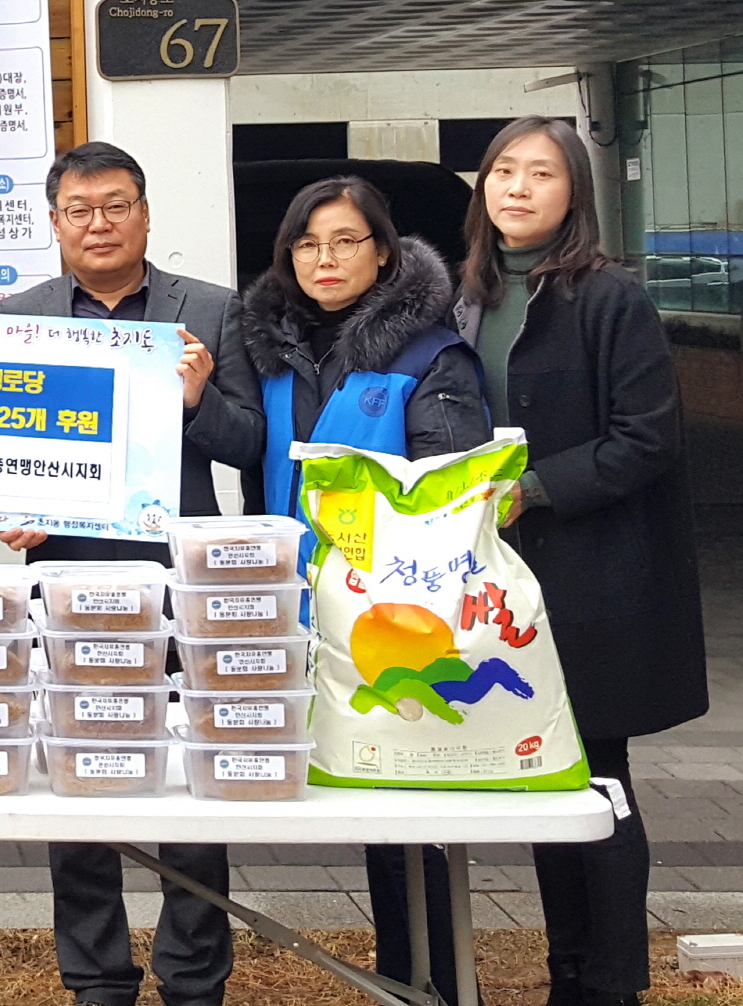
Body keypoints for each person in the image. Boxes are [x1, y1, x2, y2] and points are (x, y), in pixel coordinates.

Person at [0, 141, 266, 1006]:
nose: (99, 224)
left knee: (190, 781)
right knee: (78, 779)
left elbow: (250, 442)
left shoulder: (212, 312)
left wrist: (197, 398)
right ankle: (96, 978)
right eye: (80, 209)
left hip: (179, 579)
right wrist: (2, 503)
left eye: (116, 206)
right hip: (63, 578)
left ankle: (193, 974)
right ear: (55, 222)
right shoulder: (22, 311)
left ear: (146, 214)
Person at [455, 116, 706, 1006]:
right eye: (503, 171)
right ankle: (569, 975)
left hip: (598, 579)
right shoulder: (469, 296)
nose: (517, 188)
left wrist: (535, 487)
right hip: (506, 583)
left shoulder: (610, 296)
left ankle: (612, 985)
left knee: (598, 779)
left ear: (575, 195)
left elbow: (649, 438)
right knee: (540, 777)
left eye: (541, 174)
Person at [238, 175, 490, 1002]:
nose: (325, 259)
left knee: (413, 813)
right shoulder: (276, 354)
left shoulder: (430, 354)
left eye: (346, 241)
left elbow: (455, 496)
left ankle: (436, 981)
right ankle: (401, 976)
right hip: (300, 616)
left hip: (399, 621)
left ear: (383, 251)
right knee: (370, 811)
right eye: (307, 244)